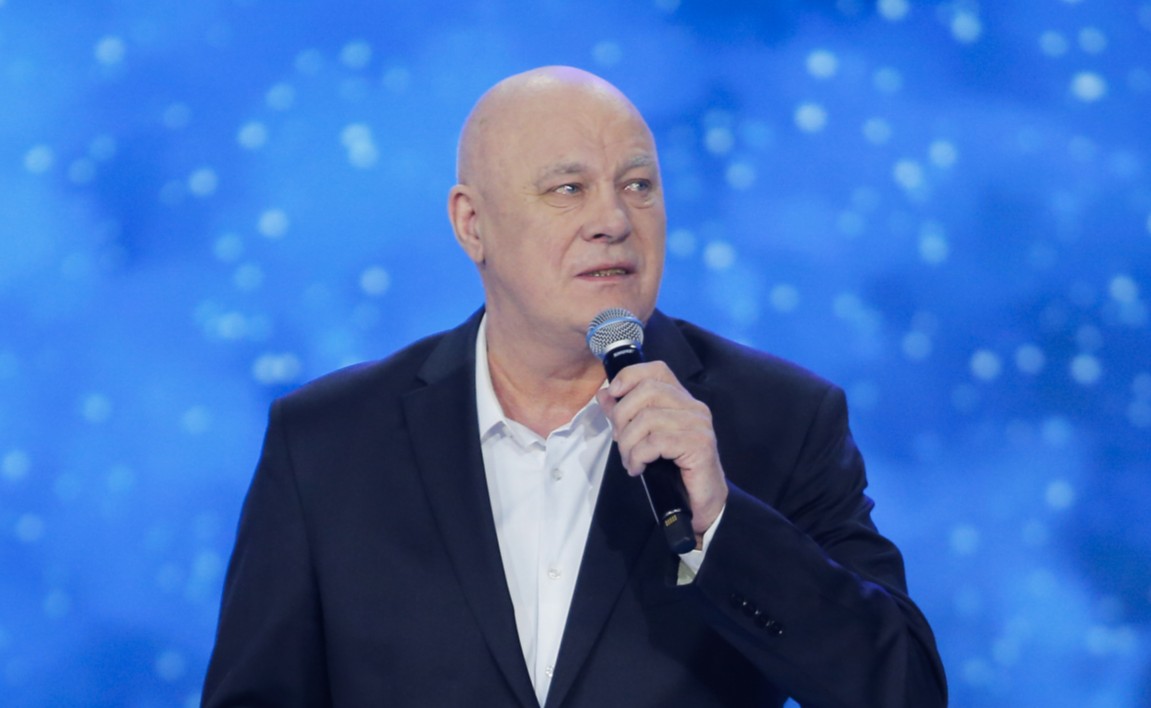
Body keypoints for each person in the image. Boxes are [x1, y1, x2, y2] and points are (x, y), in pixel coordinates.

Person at [202, 66, 947, 707]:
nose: (613, 221)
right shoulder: (328, 443)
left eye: (637, 186)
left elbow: (905, 688)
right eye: (568, 189)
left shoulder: (780, 420)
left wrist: (722, 525)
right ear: (472, 224)